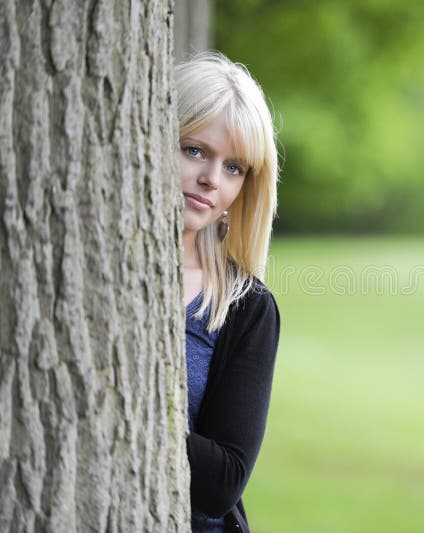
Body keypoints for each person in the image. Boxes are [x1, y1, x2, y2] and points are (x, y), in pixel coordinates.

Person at [176, 51, 280, 533]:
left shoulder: (246, 307)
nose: (211, 180)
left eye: (234, 167)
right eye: (194, 149)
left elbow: (223, 481)